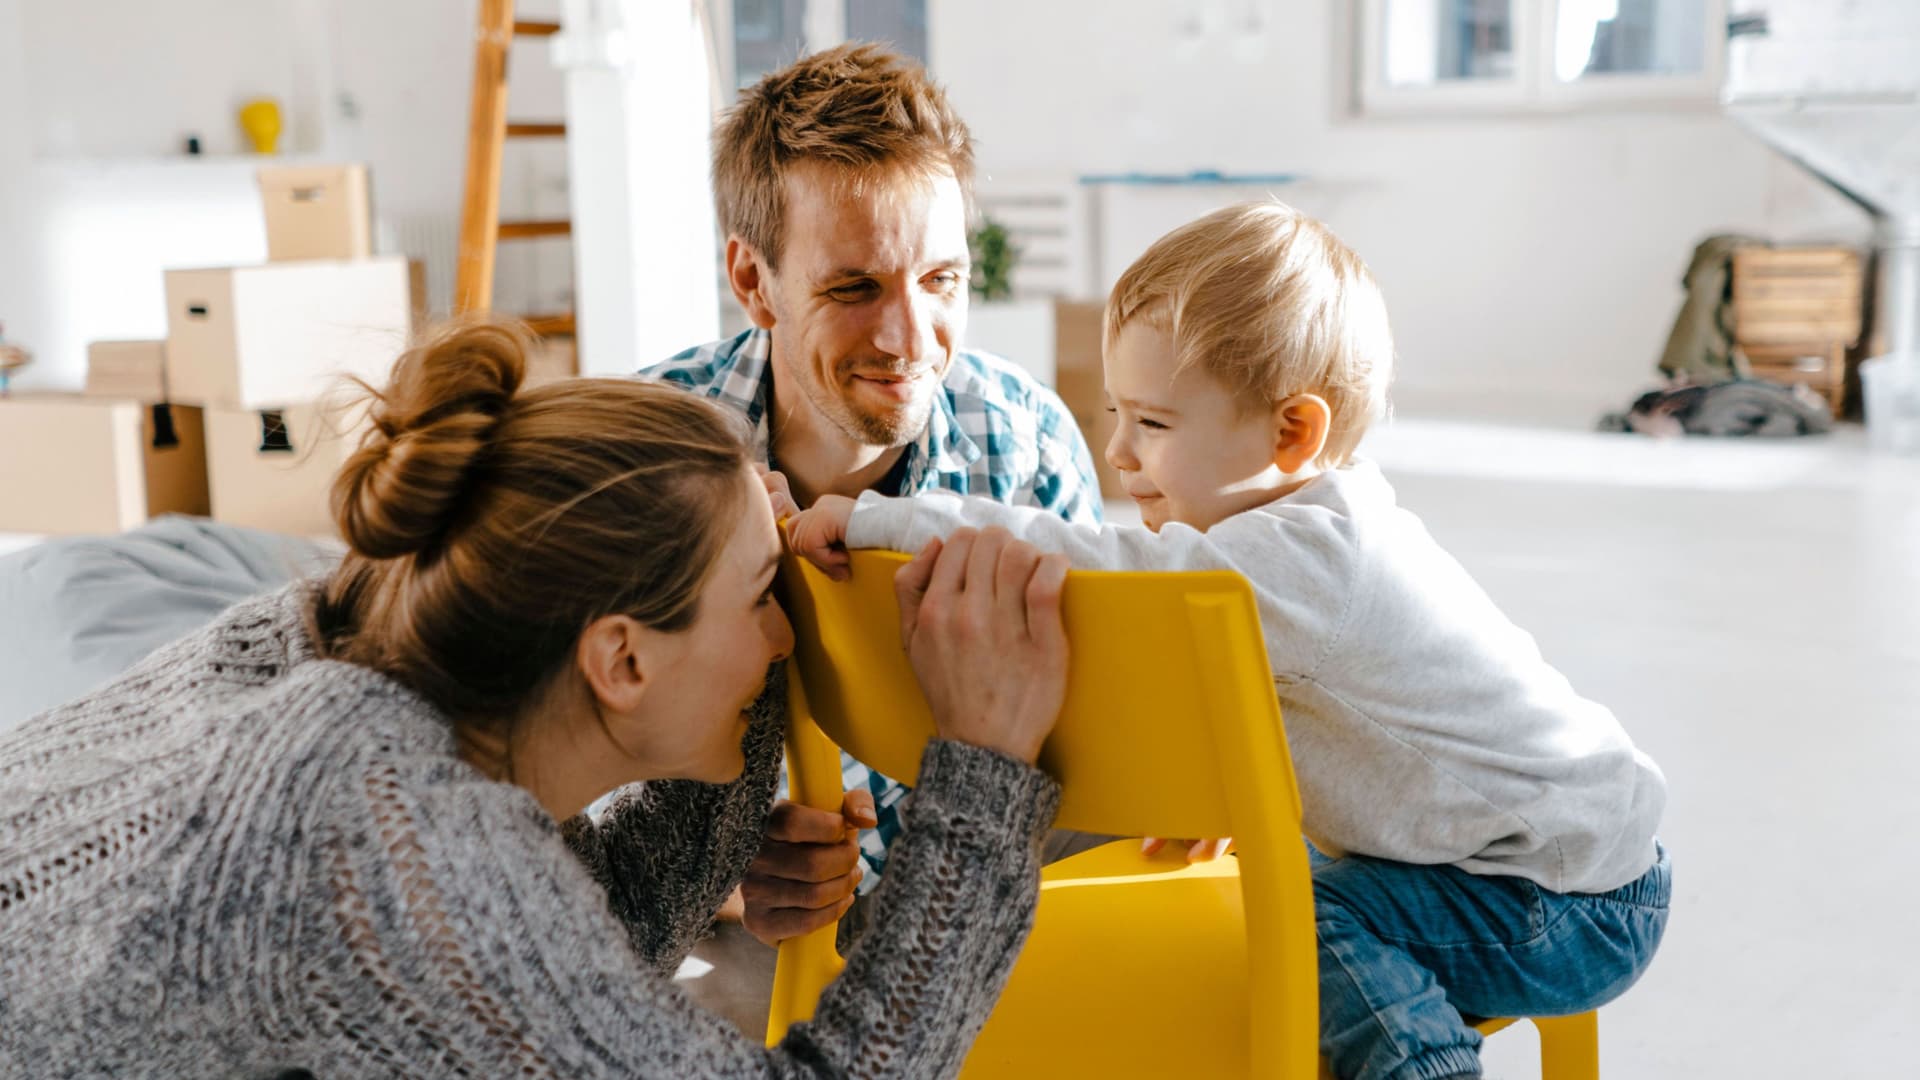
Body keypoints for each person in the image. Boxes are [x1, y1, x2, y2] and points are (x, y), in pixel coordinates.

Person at [0, 321, 1075, 1078]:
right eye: (762, 600)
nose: (784, 635)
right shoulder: (387, 839)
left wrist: (743, 561)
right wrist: (982, 772)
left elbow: (595, 941)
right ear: (620, 662)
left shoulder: (362, 641)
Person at [787, 201, 1672, 1080]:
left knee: (1312, 919)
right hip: (1515, 861)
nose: (1118, 453)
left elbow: (1094, 563)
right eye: (1117, 413)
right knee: (1290, 885)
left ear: (1292, 434)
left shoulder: (1308, 560)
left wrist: (883, 521)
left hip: (1567, 899)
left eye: (1153, 424)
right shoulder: (1280, 545)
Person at [642, 42, 1102, 939]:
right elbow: (555, 777)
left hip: (980, 924)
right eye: (855, 287)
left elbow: (1091, 742)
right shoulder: (647, 454)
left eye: (941, 281)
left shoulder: (1030, 442)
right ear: (754, 282)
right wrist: (716, 875)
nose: (910, 339)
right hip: (754, 948)